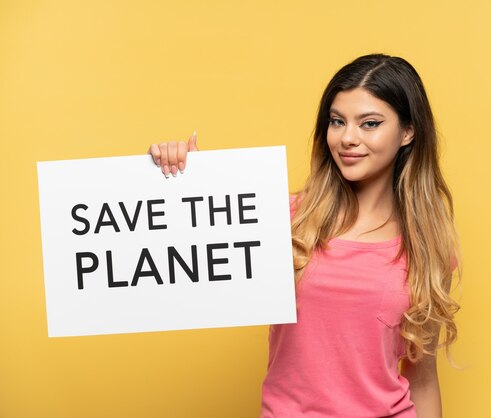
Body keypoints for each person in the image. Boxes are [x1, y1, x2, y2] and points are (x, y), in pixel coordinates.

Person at [147, 53, 462, 418]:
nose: (347, 138)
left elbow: (422, 378)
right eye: (337, 121)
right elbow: (188, 262)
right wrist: (182, 181)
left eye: (369, 124)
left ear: (408, 132)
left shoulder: (428, 245)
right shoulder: (284, 218)